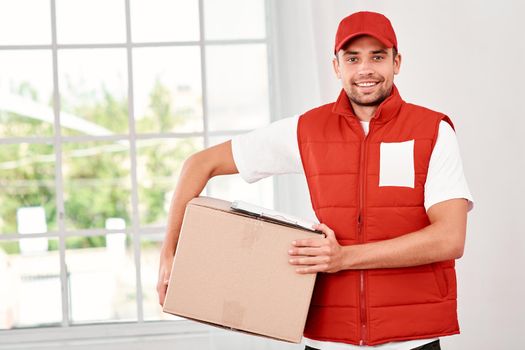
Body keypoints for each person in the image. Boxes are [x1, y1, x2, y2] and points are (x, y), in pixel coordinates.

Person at [157, 11, 474, 350]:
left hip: (413, 339)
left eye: (377, 57)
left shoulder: (432, 131)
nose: (365, 69)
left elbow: (449, 238)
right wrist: (169, 256)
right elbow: (199, 164)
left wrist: (345, 258)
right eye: (352, 58)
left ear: (397, 62)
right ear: (337, 67)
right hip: (329, 339)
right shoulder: (307, 130)